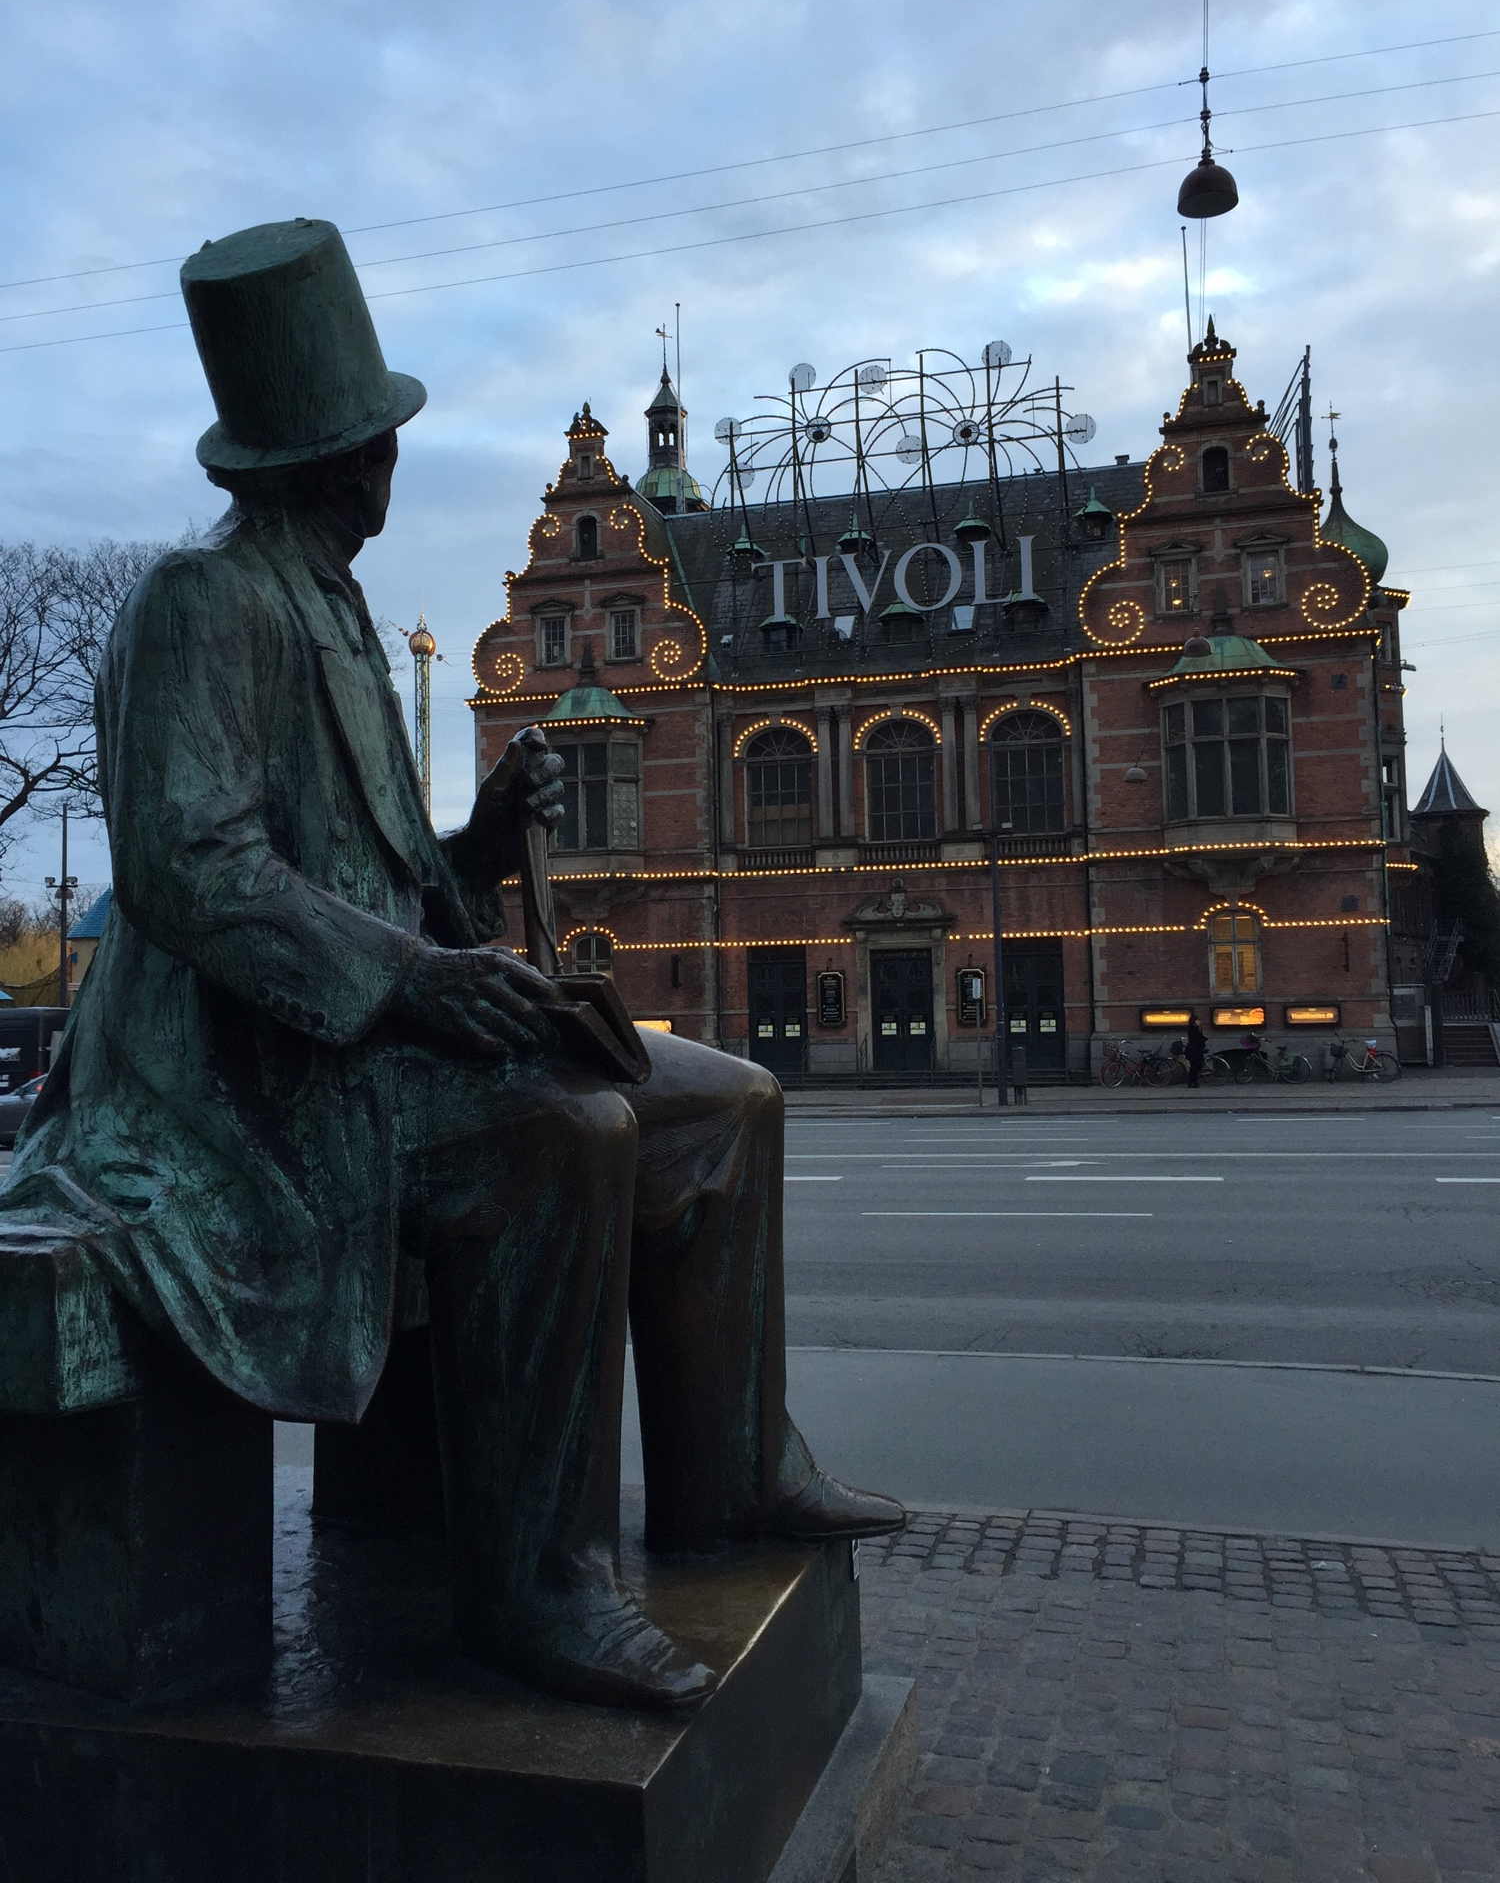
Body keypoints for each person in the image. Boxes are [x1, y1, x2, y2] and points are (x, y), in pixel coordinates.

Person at [0, 218, 902, 1716]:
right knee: (565, 1133)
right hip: (249, 1082)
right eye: (377, 440)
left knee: (730, 1103)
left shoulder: (333, 606)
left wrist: (476, 844)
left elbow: (370, 871)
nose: (392, 463)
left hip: (366, 1041)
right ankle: (535, 1590)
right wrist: (416, 983)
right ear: (333, 461)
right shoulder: (201, 602)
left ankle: (733, 1479)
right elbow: (192, 869)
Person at [1185, 1013, 1207, 1088]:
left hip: (1196, 1050)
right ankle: (1192, 1082)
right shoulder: (1192, 1029)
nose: (1199, 1021)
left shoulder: (1197, 1028)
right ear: (1194, 1021)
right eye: (1198, 1020)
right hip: (1194, 1051)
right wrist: (1203, 1039)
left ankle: (1193, 1082)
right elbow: (1196, 1039)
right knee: (1194, 1067)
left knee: (1196, 1066)